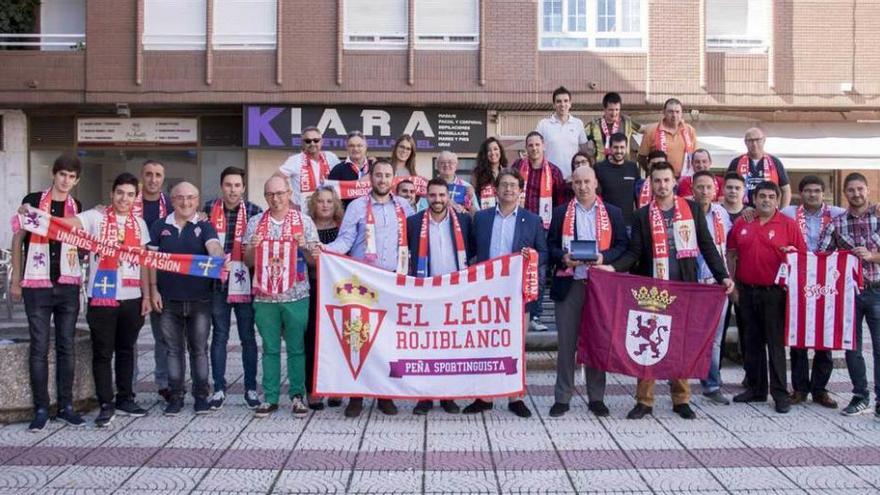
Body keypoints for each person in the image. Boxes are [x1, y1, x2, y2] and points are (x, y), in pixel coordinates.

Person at [601, 162, 733, 420]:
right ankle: (644, 401)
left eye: (666, 180)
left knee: (680, 343)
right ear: (650, 184)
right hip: (652, 288)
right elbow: (634, 253)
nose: (662, 186)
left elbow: (707, 247)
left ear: (675, 182)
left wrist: (724, 276)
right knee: (648, 343)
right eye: (657, 181)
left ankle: (681, 398)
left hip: (684, 287)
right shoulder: (641, 215)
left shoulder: (692, 209)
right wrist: (611, 268)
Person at [324, 160, 415, 417]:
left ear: (393, 179)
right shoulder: (356, 206)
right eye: (378, 175)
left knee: (388, 341)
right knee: (359, 338)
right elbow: (345, 240)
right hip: (362, 283)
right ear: (370, 178)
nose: (383, 179)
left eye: (387, 175)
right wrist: (325, 251)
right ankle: (356, 395)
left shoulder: (404, 207)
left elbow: (416, 237)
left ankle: (385, 394)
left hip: (393, 283)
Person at [463, 169, 548, 418]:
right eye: (504, 185)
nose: (508, 189)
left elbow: (544, 253)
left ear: (520, 191)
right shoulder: (482, 218)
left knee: (516, 347)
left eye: (513, 185)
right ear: (496, 190)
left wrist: (530, 258)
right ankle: (483, 397)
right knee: (483, 345)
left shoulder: (532, 220)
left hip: (517, 293)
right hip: (485, 294)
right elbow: (470, 251)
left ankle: (515, 397)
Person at [11, 155, 85, 431]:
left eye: (71, 176)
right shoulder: (32, 199)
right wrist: (15, 280)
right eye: (62, 174)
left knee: (66, 345)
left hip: (67, 284)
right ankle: (41, 407)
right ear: (54, 174)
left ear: (77, 181)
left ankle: (66, 406)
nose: (66, 180)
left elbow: (81, 237)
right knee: (39, 347)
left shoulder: (76, 206)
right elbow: (18, 239)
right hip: (36, 284)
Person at [547, 166, 628, 418]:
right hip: (569, 283)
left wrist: (605, 257)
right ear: (573, 185)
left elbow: (622, 245)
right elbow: (550, 245)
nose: (582, 186)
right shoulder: (561, 213)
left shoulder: (612, 212)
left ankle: (596, 397)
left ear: (595, 183)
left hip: (599, 287)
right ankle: (562, 397)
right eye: (578, 182)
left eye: (587, 182)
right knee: (566, 344)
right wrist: (564, 257)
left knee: (596, 342)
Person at [727, 181, 806, 414]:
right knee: (751, 343)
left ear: (778, 199)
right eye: (762, 196)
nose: (767, 200)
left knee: (775, 345)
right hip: (746, 290)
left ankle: (780, 393)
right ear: (754, 197)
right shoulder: (742, 222)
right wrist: (733, 287)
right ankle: (756, 388)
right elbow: (731, 255)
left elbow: (801, 258)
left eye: (772, 196)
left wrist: (790, 256)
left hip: (775, 294)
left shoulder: (788, 225)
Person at [244, 175, 319, 419]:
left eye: (280, 193)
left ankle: (297, 395)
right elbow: (246, 262)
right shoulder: (256, 222)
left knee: (297, 348)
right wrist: (253, 248)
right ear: (265, 197)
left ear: (289, 193)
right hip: (265, 296)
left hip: (296, 294)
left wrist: (305, 246)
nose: (275, 199)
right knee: (270, 348)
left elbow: (315, 260)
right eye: (270, 194)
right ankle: (271, 397)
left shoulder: (304, 221)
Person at [148, 182, 226, 417]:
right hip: (168, 299)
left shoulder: (204, 225)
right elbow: (150, 260)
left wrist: (219, 258)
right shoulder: (160, 226)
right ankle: (175, 396)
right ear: (172, 200)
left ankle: (201, 396)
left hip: (200, 299)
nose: (185, 202)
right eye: (180, 197)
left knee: (199, 350)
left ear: (197, 199)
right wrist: (153, 290)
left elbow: (214, 247)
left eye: (191, 197)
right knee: (173, 350)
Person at [405, 178, 473, 415]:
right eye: (433, 196)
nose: (437, 200)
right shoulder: (412, 223)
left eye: (442, 196)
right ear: (426, 197)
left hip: (456, 293)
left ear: (448, 197)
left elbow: (472, 253)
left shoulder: (464, 221)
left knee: (451, 346)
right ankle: (424, 397)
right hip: (426, 292)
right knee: (425, 347)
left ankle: (448, 396)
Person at [818, 173, 880, 417]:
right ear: (845, 193)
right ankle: (860, 396)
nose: (856, 194)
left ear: (867, 190)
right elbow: (821, 255)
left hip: (877, 290)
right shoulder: (837, 222)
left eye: (860, 189)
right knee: (851, 348)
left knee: (879, 348)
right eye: (851, 190)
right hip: (848, 294)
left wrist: (872, 256)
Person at [779, 176, 845, 409]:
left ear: (824, 193)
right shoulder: (788, 213)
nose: (813, 195)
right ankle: (799, 389)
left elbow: (862, 213)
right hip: (799, 282)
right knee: (798, 339)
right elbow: (765, 216)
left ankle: (820, 389)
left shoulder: (837, 213)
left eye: (817, 191)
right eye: (808, 191)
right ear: (800, 193)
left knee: (824, 338)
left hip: (827, 284)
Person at [203, 167, 263, 411]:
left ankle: (250, 387)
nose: (233, 190)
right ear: (221, 186)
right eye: (228, 185)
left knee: (248, 337)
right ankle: (218, 387)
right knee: (219, 336)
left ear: (243, 188)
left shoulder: (255, 212)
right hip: (218, 284)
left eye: (237, 185)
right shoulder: (207, 210)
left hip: (245, 283)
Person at [512, 131, 567, 331]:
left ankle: (534, 315)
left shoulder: (554, 171)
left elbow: (560, 202)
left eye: (537, 145)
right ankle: (517, 312)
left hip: (544, 227)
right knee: (517, 269)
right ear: (526, 148)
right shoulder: (518, 167)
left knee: (540, 271)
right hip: (520, 224)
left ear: (543, 146)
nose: (534, 148)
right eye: (530, 145)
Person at [691, 171, 733, 405]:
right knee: (688, 335)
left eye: (709, 187)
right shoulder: (684, 212)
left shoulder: (722, 214)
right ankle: (679, 379)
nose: (705, 191)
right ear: (693, 189)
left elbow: (727, 249)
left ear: (715, 190)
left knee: (715, 339)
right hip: (692, 284)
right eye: (700, 187)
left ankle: (712, 384)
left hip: (717, 284)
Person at [134, 159, 171, 402]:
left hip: (160, 277)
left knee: (163, 335)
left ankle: (164, 383)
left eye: (158, 174)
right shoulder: (128, 202)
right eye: (148, 174)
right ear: (142, 176)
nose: (153, 179)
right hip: (130, 275)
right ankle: (128, 385)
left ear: (163, 179)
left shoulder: (171, 205)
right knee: (130, 336)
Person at [305, 185, 345, 409]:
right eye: (320, 201)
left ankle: (336, 387)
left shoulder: (343, 228)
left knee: (337, 339)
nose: (325, 205)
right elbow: (306, 257)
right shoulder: (305, 227)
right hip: (311, 287)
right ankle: (312, 388)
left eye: (330, 201)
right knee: (311, 339)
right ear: (313, 203)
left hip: (337, 291)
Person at [278, 126, 340, 210]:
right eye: (308, 141)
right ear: (302, 143)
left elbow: (342, 179)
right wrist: (289, 203)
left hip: (328, 211)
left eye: (316, 140)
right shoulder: (295, 160)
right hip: (304, 211)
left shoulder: (331, 157)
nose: (312, 143)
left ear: (322, 141)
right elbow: (275, 180)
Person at [727, 127, 791, 208]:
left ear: (764, 140)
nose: (754, 144)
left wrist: (783, 212)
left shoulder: (775, 162)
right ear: (745, 142)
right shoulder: (736, 162)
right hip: (743, 212)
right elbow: (727, 187)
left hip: (769, 212)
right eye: (750, 140)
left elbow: (786, 190)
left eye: (758, 140)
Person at [534, 86, 589, 179]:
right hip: (549, 177)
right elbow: (535, 147)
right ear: (553, 105)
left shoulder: (578, 123)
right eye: (558, 101)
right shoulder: (543, 124)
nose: (562, 104)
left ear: (570, 103)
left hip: (572, 178)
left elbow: (584, 150)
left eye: (566, 101)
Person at [637, 98, 697, 178]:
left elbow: (696, 156)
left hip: (684, 180)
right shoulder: (651, 130)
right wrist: (651, 171)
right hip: (660, 180)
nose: (674, 115)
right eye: (670, 111)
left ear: (682, 113)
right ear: (664, 112)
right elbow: (641, 157)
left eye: (677, 112)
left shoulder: (690, 130)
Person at [595, 132, 641, 229]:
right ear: (610, 148)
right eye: (616, 147)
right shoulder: (599, 168)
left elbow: (638, 196)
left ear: (626, 148)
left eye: (622, 147)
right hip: (606, 223)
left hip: (628, 223)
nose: (619, 151)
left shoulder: (633, 167)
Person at [585, 91, 640, 163]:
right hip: (601, 166)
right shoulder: (594, 124)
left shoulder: (626, 122)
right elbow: (580, 137)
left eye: (617, 109)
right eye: (611, 110)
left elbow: (643, 129)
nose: (614, 113)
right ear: (604, 109)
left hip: (622, 165)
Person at [472, 137, 509, 210]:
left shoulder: (507, 172)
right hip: (485, 214)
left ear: (500, 151)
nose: (493, 153)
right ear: (485, 154)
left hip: (504, 213)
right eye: (489, 150)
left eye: (495, 149)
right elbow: (473, 197)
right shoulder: (477, 173)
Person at [436, 151, 478, 215]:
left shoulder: (467, 187)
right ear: (437, 166)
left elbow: (476, 212)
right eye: (442, 163)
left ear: (456, 166)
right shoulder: (430, 187)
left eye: (450, 162)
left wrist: (466, 211)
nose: (446, 165)